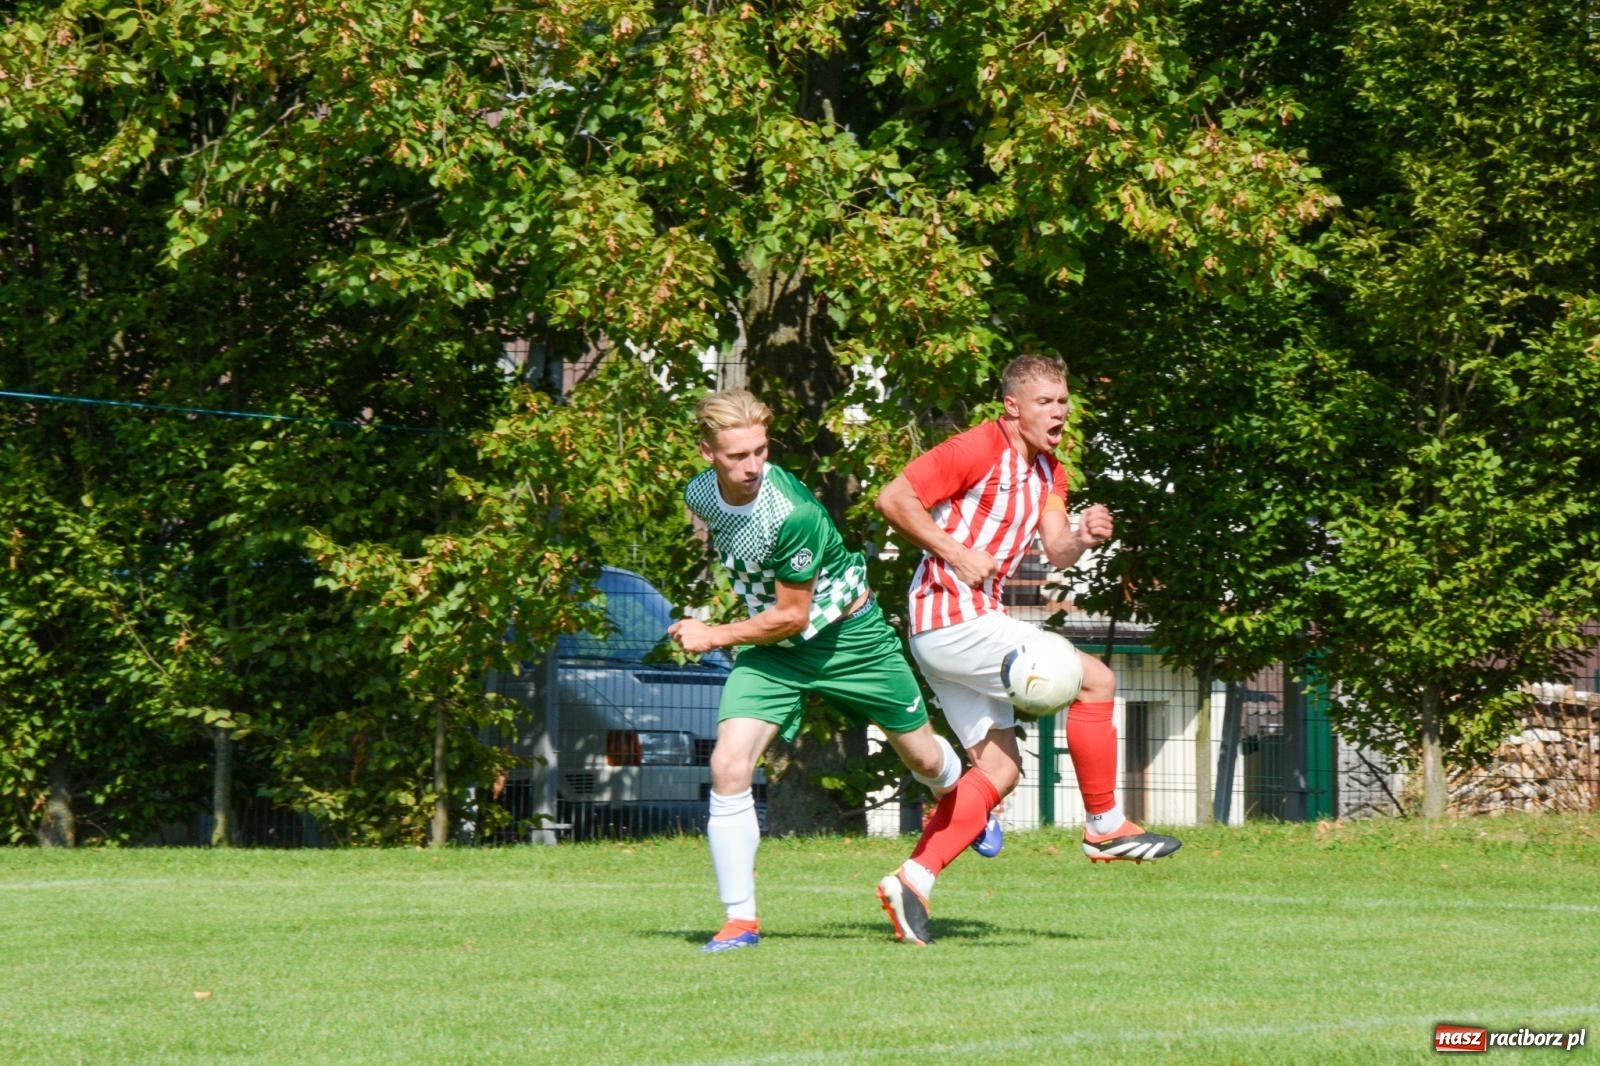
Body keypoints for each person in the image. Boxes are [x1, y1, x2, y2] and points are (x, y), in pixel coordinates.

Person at [872, 354, 1181, 946]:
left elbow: (1056, 550)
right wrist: (957, 553)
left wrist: (1084, 538)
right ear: (1012, 406)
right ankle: (1103, 825)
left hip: (961, 624)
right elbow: (894, 500)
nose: (1059, 412)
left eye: (1063, 401)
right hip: (949, 615)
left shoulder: (1050, 471)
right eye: (1046, 402)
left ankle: (912, 879)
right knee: (1095, 680)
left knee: (1000, 770)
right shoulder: (974, 449)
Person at [668, 388, 969, 953]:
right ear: (708, 453)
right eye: (738, 455)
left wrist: (712, 633)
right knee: (728, 764)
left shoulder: (794, 515)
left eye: (760, 450)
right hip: (778, 652)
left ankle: (965, 800)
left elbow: (790, 614)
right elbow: (772, 609)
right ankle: (740, 923)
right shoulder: (701, 494)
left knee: (927, 760)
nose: (754, 466)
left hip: (851, 640)